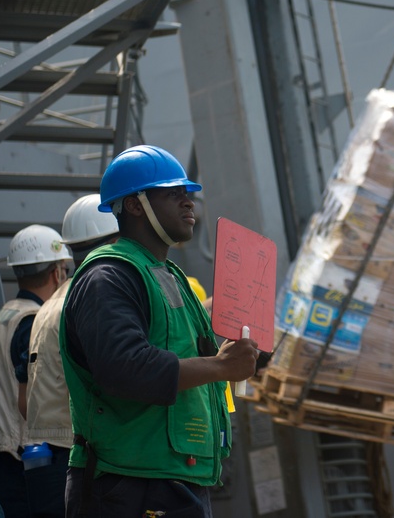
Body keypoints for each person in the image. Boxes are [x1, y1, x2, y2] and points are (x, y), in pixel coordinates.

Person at [60, 145, 259, 518]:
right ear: (135, 206)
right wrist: (220, 367)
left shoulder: (167, 275)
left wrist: (244, 358)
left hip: (171, 476)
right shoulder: (108, 277)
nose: (189, 203)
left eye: (188, 194)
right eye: (173, 194)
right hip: (129, 484)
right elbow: (126, 368)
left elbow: (196, 359)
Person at [20, 195, 120, 518]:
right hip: (80, 454)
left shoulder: (52, 303)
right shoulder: (90, 297)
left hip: (47, 455)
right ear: (116, 240)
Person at [0, 225, 74, 518]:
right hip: (27, 463)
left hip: (2, 460)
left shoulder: (3, 318)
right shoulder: (34, 321)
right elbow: (34, 400)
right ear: (57, 273)